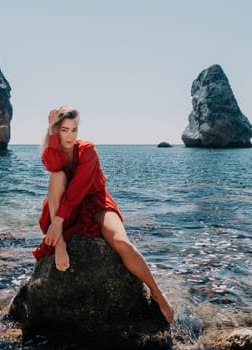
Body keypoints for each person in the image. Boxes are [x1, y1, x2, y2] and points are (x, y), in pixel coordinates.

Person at [32, 105, 174, 324]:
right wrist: (51, 131)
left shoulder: (87, 150)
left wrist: (56, 223)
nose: (70, 136)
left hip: (96, 202)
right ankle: (60, 243)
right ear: (57, 131)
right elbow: (53, 165)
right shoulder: (55, 150)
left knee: (121, 242)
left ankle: (157, 292)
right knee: (56, 176)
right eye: (64, 130)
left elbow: (78, 189)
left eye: (74, 130)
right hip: (67, 208)